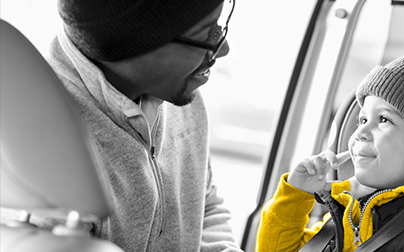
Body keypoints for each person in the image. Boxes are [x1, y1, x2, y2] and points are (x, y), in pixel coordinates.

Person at [1, 0, 243, 251]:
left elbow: (206, 206)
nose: (222, 48)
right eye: (207, 35)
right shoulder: (45, 150)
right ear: (138, 41)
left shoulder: (181, 93)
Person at [256, 47, 404, 251]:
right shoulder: (352, 211)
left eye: (384, 120)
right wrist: (295, 196)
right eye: (362, 120)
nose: (359, 132)